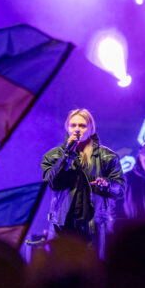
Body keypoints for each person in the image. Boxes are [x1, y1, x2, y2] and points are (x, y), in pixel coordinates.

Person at [41, 109, 125, 257]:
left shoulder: (107, 157)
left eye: (82, 125)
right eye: (73, 125)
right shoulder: (54, 155)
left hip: (94, 226)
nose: (77, 129)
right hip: (62, 226)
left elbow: (120, 190)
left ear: (91, 128)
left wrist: (107, 185)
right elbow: (53, 182)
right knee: (58, 273)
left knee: (93, 273)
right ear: (67, 127)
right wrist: (66, 154)